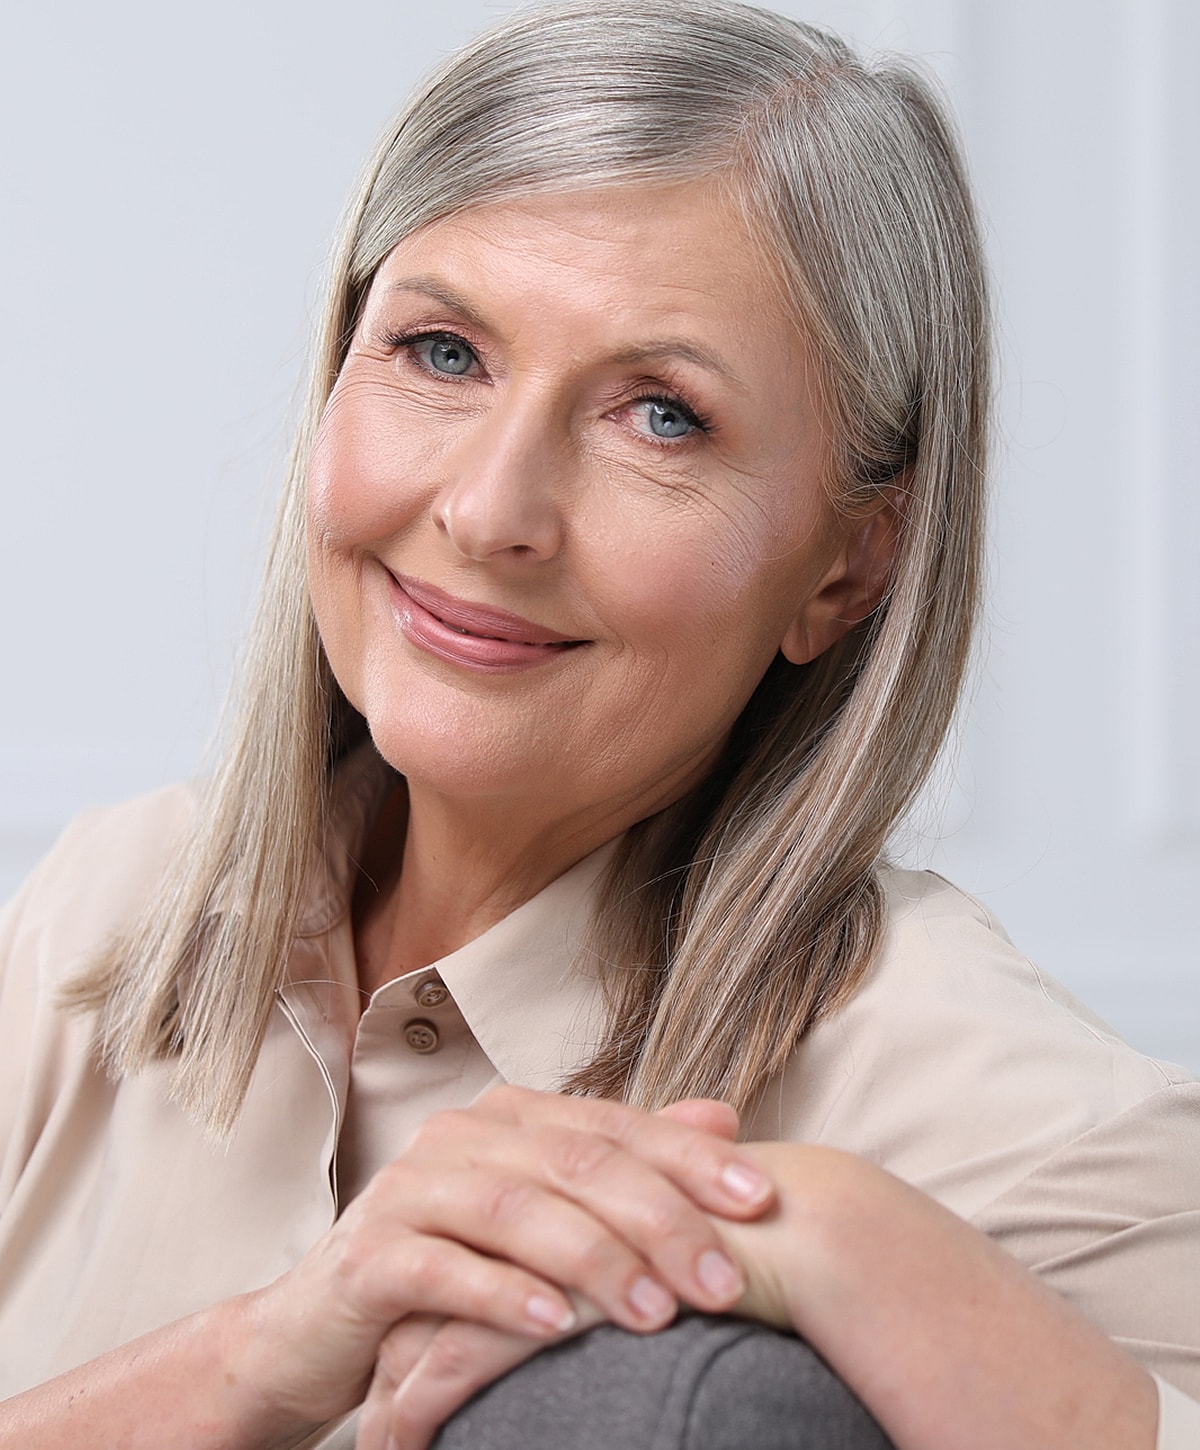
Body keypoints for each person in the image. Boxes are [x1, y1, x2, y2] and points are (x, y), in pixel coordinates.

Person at [0, 2, 1197, 1447]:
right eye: (444, 352)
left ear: (849, 564)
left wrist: (830, 1228)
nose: (491, 511)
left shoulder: (996, 1108)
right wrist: (256, 1358)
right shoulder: (108, 910)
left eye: (662, 417)